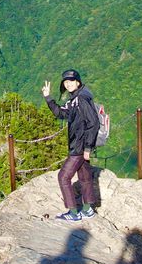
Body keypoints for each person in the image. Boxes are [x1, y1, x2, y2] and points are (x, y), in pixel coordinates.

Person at [41, 68, 100, 222]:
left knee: (63, 177)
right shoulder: (75, 98)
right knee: (85, 177)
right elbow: (61, 113)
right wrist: (48, 98)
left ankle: (73, 213)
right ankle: (88, 210)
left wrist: (88, 148)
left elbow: (93, 123)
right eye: (65, 82)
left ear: (78, 81)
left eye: (71, 81)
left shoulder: (80, 99)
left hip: (79, 147)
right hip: (79, 144)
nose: (68, 84)